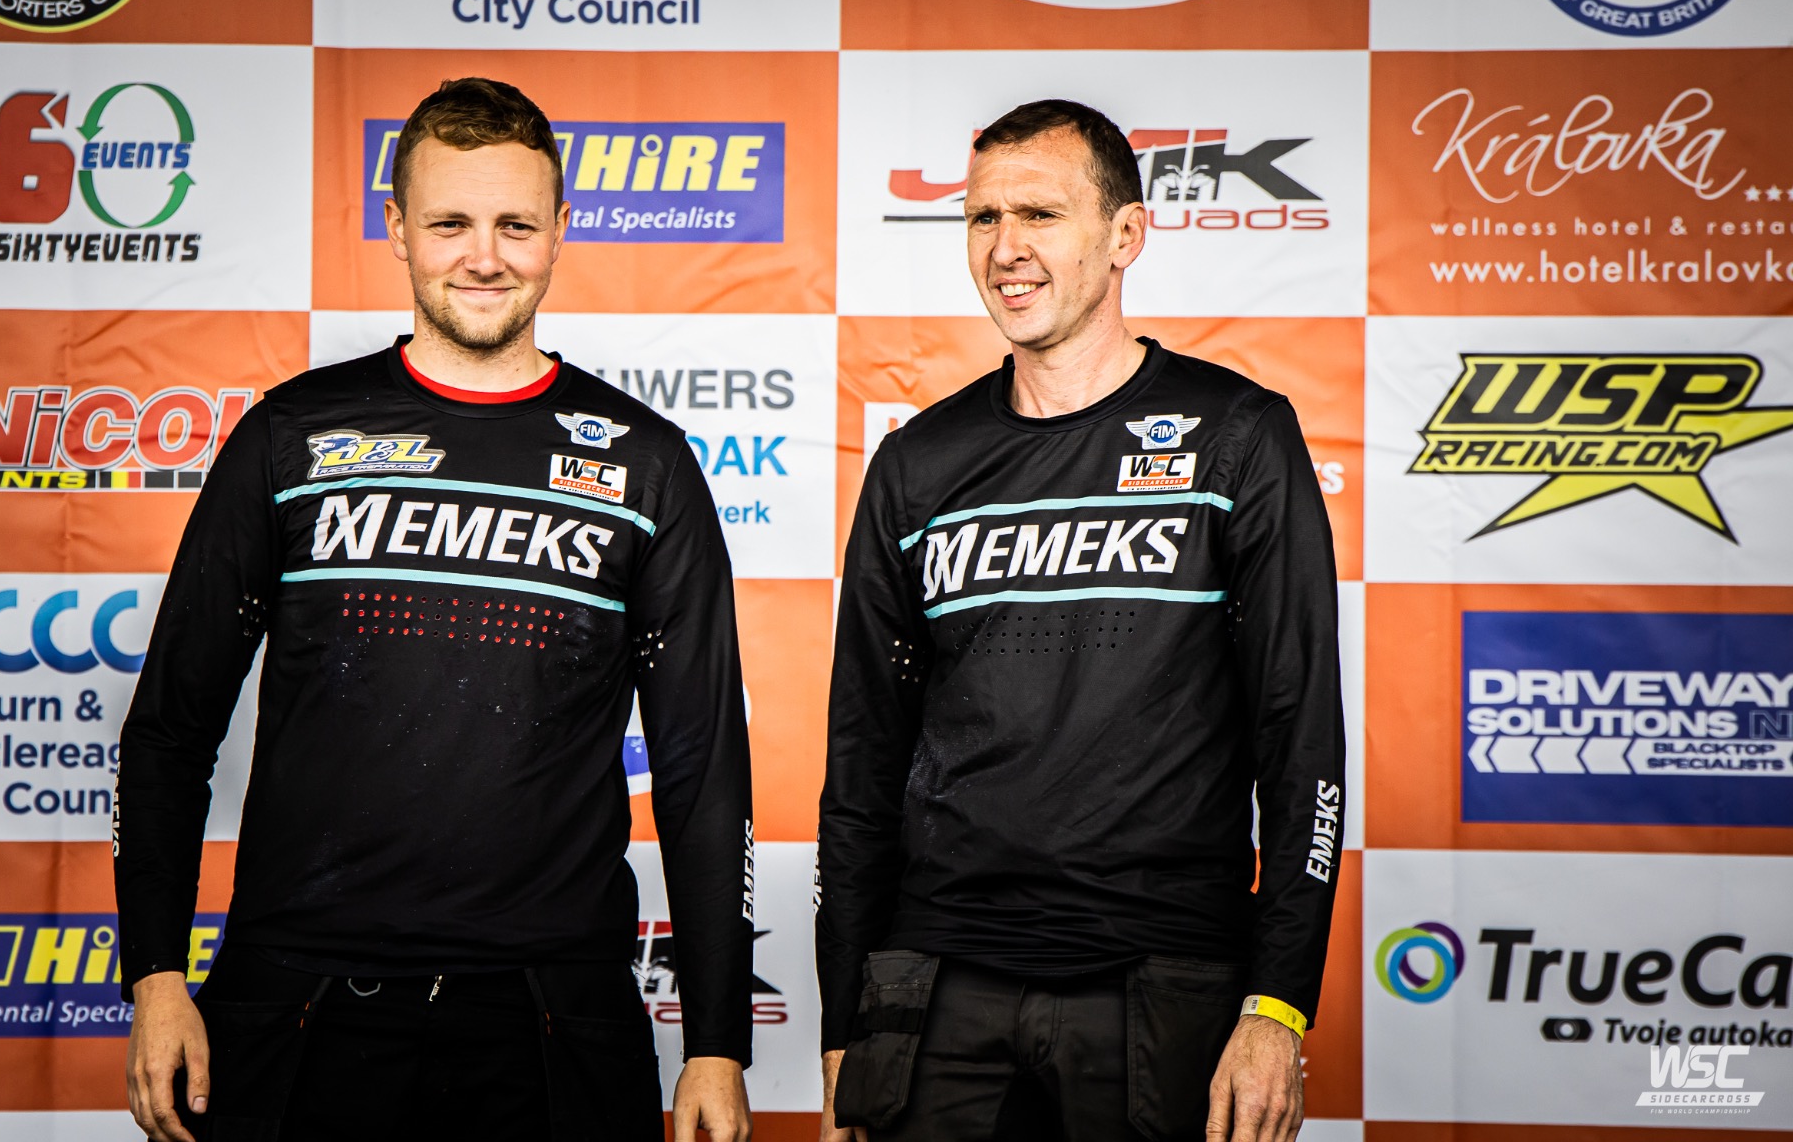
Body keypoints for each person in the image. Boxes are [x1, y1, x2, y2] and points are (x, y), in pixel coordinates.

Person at [116, 76, 754, 1142]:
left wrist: (718, 1042)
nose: (484, 256)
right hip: (299, 1001)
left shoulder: (647, 463)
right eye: (451, 222)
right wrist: (155, 975)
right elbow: (171, 726)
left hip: (552, 1016)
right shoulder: (291, 436)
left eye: (516, 225)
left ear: (560, 230)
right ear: (398, 227)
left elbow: (702, 771)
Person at [816, 100, 1343, 1142]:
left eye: (1041, 215)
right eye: (983, 217)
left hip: (1165, 977)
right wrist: (846, 1021)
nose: (1005, 247)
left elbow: (1302, 742)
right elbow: (863, 759)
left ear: (1126, 235)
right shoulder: (917, 463)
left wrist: (1279, 1003)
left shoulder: (1237, 436)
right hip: (939, 984)